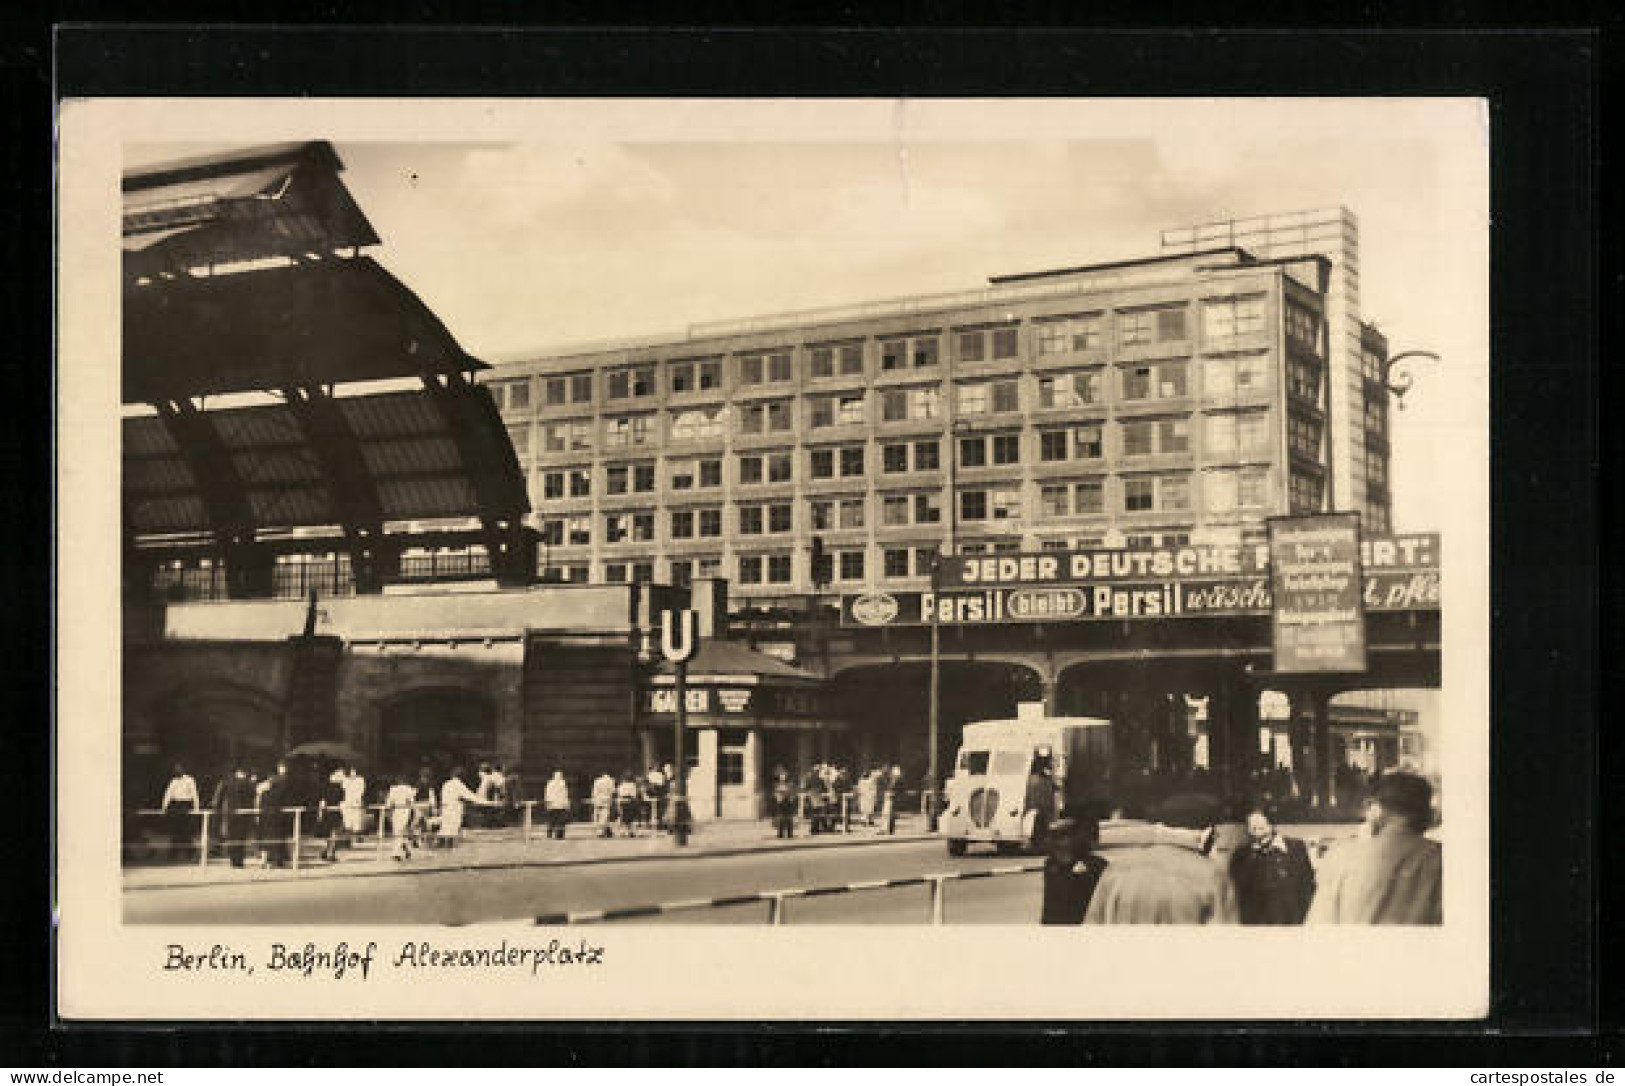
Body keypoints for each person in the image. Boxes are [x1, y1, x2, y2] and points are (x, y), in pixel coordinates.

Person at [1307, 771, 1442, 925]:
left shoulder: (1341, 856)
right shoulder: (1442, 858)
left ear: (1375, 808)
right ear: (1427, 813)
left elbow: (1318, 928)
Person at [1085, 819, 1238, 925]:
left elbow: (1091, 934)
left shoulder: (1116, 870)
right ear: (1207, 832)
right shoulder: (1211, 875)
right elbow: (1224, 940)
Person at [1229, 806, 1316, 924]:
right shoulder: (1242, 855)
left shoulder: (1296, 848)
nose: (1255, 829)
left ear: (1272, 824)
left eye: (1261, 826)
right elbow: (1237, 893)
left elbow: (1307, 887)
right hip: (1256, 925)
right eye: (1252, 826)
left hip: (1292, 923)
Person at [1041, 806, 1110, 924]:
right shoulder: (1051, 866)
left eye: (1061, 836)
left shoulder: (1096, 866)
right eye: (1054, 837)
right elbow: (1049, 907)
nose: (1055, 843)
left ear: (1076, 838)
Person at [210, 763, 257, 868]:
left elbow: (219, 797)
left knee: (232, 836)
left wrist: (218, 809)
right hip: (243, 814)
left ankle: (233, 860)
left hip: (230, 813)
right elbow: (253, 795)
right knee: (241, 838)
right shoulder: (248, 783)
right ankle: (239, 861)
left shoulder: (227, 782)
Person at [159, 763, 200, 862]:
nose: (177, 770)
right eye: (176, 769)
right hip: (176, 805)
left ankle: (190, 853)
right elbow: (168, 794)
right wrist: (164, 807)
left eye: (179, 768)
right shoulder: (173, 781)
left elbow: (194, 793)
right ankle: (174, 853)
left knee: (186, 831)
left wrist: (196, 808)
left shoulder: (190, 780)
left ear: (183, 769)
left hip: (186, 804)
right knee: (176, 830)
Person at [438, 766, 485, 850]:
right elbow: (471, 797)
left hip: (445, 809)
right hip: (454, 810)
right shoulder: (459, 785)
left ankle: (440, 849)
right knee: (452, 832)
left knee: (444, 830)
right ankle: (448, 851)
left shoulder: (446, 784)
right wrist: (490, 803)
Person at [259, 761, 295, 868]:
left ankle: (267, 860)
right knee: (278, 837)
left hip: (267, 817)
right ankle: (278, 859)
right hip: (278, 815)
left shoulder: (265, 793)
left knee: (268, 838)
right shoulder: (284, 783)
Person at [315, 766, 346, 863]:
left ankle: (326, 852)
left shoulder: (325, 787)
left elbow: (322, 801)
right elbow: (342, 802)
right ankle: (330, 853)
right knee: (335, 833)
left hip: (327, 811)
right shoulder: (340, 789)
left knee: (329, 834)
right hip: (335, 811)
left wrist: (320, 813)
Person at [385, 774, 418, 861]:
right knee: (399, 831)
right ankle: (407, 849)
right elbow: (389, 803)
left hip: (402, 811)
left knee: (398, 831)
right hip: (399, 811)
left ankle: (396, 853)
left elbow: (410, 802)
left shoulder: (403, 789)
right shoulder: (395, 789)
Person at [339, 764, 369, 841]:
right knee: (348, 822)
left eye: (354, 771)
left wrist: (357, 799)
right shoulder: (346, 780)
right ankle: (347, 839)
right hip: (348, 803)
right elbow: (333, 779)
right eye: (351, 771)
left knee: (357, 821)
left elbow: (361, 791)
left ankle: (358, 837)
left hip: (357, 803)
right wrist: (342, 773)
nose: (352, 773)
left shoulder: (360, 780)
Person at [543, 771, 572, 839]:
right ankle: (556, 833)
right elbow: (564, 794)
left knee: (556, 820)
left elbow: (564, 794)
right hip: (557, 805)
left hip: (556, 804)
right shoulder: (560, 784)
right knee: (557, 820)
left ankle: (555, 833)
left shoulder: (552, 784)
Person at [771, 767, 796, 839]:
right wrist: (778, 797)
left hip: (788, 801)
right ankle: (780, 833)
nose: (783, 777)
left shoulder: (790, 784)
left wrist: (791, 798)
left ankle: (790, 833)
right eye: (781, 776)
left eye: (784, 775)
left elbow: (792, 792)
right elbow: (775, 793)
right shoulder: (777, 784)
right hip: (781, 801)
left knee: (789, 818)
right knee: (780, 818)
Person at [591, 771, 617, 839]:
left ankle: (604, 830)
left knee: (597, 815)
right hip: (606, 799)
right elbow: (613, 791)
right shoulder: (610, 781)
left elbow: (594, 791)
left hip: (597, 799)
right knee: (604, 815)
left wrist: (593, 799)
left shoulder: (597, 781)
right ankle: (602, 831)